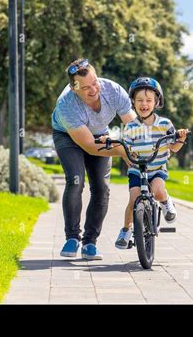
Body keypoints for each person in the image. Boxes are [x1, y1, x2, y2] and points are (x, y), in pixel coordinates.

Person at [51, 58, 135, 260]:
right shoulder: (66, 105)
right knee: (76, 181)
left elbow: (133, 125)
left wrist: (139, 147)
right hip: (68, 135)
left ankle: (90, 242)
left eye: (95, 82)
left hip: (99, 133)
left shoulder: (113, 90)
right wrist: (122, 151)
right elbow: (89, 146)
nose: (94, 89)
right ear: (74, 89)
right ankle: (72, 238)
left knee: (102, 188)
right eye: (86, 87)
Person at [101, 77, 188, 249]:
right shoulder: (131, 126)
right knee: (133, 199)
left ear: (157, 102)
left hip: (157, 169)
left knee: (157, 191)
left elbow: (174, 147)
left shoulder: (165, 124)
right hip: (137, 169)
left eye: (149, 100)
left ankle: (165, 202)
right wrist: (110, 140)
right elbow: (124, 144)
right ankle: (126, 230)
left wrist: (180, 138)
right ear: (133, 102)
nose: (144, 104)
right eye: (139, 100)